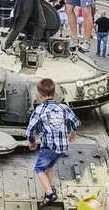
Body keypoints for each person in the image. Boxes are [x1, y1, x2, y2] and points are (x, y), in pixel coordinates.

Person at [26, 78, 80, 206]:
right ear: (55, 94)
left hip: (49, 147)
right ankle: (48, 188)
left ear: (39, 96)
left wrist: (32, 142)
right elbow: (76, 121)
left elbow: (30, 130)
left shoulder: (39, 111)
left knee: (39, 169)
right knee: (49, 166)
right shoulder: (63, 107)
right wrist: (73, 133)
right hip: (62, 147)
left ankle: (50, 194)